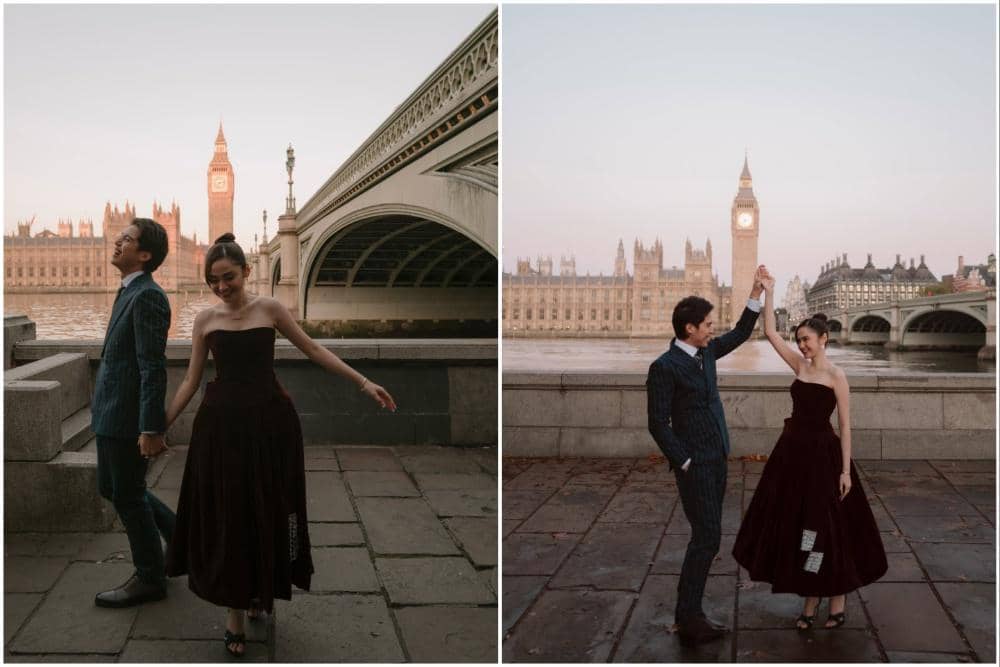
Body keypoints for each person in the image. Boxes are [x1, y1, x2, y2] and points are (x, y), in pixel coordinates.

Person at [163, 233, 397, 657]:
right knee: (230, 516)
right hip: (220, 432)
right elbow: (190, 381)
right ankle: (234, 612)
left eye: (228, 277)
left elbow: (311, 349)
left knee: (268, 510)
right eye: (213, 280)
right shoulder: (204, 321)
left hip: (270, 426)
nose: (221, 287)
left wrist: (363, 382)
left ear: (247, 272)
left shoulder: (270, 310)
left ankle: (259, 589)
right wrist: (159, 425)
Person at [732, 271, 886, 630]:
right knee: (802, 528)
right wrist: (768, 293)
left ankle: (834, 598)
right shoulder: (798, 366)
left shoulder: (837, 377)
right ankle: (811, 598)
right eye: (799, 340)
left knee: (824, 528)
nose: (802, 345)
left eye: (807, 340)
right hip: (792, 457)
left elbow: (846, 426)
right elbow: (770, 332)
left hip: (823, 459)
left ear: (824, 339)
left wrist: (845, 471)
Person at [646, 266, 766, 647]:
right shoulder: (664, 367)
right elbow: (658, 424)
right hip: (694, 465)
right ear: (689, 329)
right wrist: (684, 461)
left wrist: (756, 291)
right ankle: (689, 616)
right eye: (708, 324)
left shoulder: (707, 352)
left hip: (717, 458)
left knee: (707, 537)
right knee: (707, 538)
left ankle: (690, 613)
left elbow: (742, 332)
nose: (713, 328)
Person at [92, 218, 176, 608]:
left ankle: (150, 577)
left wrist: (149, 427)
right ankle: (182, 538)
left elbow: (152, 367)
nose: (117, 241)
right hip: (111, 411)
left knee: (126, 495)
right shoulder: (129, 290)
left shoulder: (147, 296)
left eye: (126, 239)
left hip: (126, 418)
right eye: (119, 236)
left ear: (144, 254)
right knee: (117, 489)